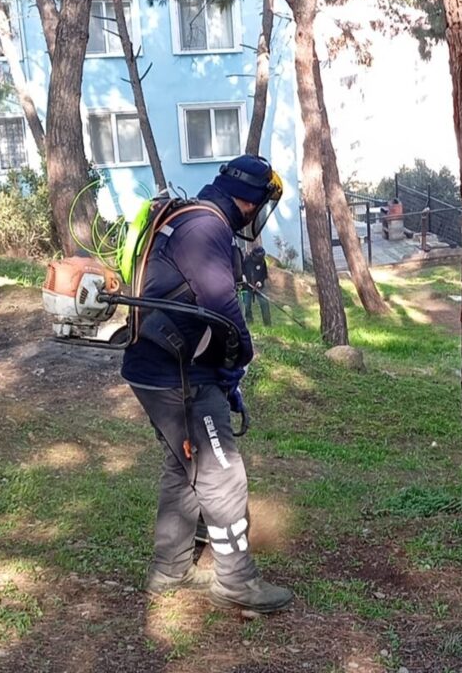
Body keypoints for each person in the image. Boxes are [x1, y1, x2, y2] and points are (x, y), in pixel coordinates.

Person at [121, 154, 293, 613]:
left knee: (184, 469)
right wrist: (239, 359)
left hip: (156, 366)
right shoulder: (207, 227)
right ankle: (236, 581)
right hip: (179, 375)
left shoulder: (189, 215)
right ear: (253, 203)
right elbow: (221, 306)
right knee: (223, 476)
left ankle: (169, 570)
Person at [241, 246, 273, 326]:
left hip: (259, 287)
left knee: (264, 303)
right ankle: (249, 323)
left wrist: (260, 282)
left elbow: (264, 274)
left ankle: (268, 324)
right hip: (247, 286)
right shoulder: (246, 260)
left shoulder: (262, 262)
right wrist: (242, 276)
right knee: (246, 305)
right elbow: (240, 269)